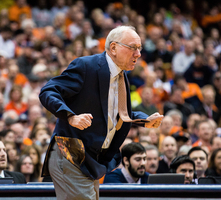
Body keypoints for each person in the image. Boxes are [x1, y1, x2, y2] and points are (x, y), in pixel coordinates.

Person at [39, 25, 163, 200]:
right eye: (133, 48)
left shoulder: (121, 76)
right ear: (113, 48)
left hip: (92, 160)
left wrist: (144, 119)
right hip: (71, 152)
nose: (138, 54)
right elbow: (48, 91)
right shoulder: (86, 66)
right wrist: (70, 116)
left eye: (140, 49)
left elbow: (120, 113)